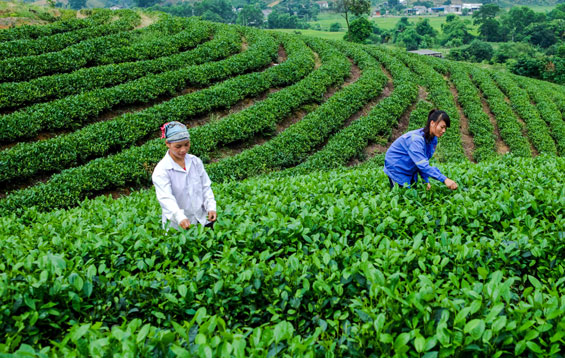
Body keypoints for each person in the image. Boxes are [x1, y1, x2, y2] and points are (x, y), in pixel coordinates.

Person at [152, 121, 217, 231]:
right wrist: (179, 217)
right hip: (178, 226)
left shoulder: (195, 161)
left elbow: (205, 187)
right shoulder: (161, 170)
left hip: (202, 220)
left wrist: (211, 207)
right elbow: (166, 198)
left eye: (186, 144)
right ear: (168, 144)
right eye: (178, 146)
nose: (183, 150)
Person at [384, 109, 458, 190]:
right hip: (396, 167)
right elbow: (422, 165)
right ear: (432, 123)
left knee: (412, 193)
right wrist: (445, 179)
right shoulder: (416, 140)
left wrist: (425, 180)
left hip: (410, 166)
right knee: (402, 195)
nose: (444, 131)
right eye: (442, 127)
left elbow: (423, 160)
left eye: (445, 128)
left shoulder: (433, 139)